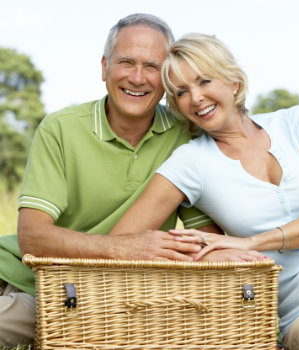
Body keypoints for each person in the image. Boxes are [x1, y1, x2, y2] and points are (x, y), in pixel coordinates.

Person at [0, 15, 264, 348]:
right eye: (126, 62)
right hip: (30, 281)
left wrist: (210, 253)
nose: (137, 78)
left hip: (111, 297)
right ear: (104, 67)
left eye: (152, 66)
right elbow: (32, 238)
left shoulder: (187, 138)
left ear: (166, 78)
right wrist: (122, 248)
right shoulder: (61, 129)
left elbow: (206, 239)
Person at [110, 33, 299, 350]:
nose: (195, 97)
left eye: (204, 81)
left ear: (233, 82)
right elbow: (120, 242)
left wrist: (251, 241)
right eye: (181, 92)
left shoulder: (294, 122)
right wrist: (208, 255)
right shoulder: (190, 162)